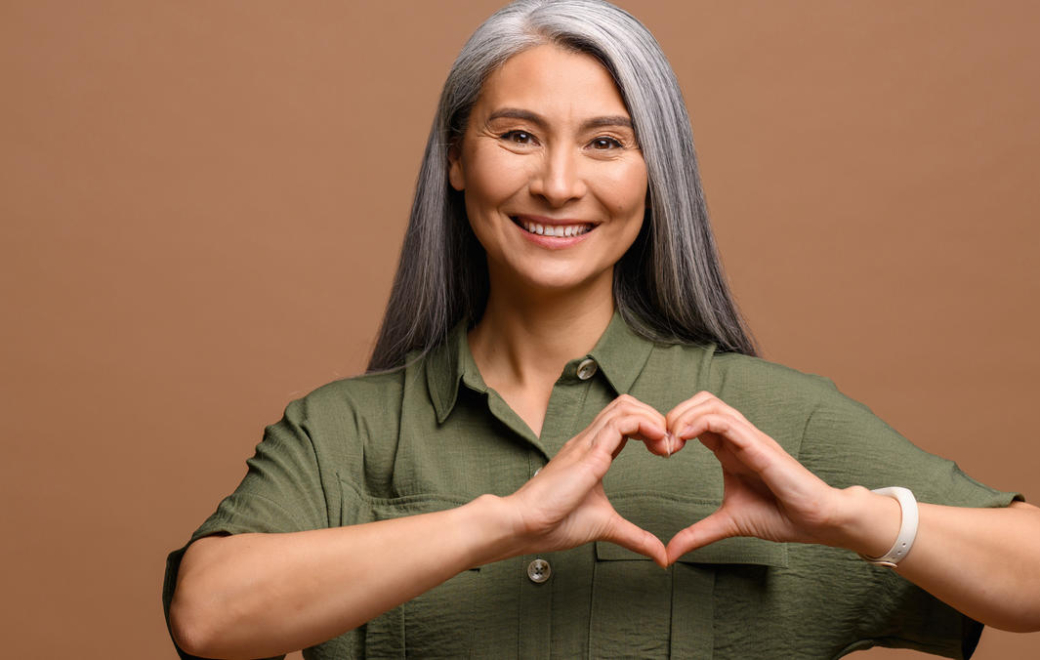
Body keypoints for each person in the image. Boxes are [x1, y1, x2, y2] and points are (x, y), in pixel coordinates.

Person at [163, 1, 1040, 658]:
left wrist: (850, 517)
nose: (556, 182)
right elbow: (207, 615)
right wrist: (499, 524)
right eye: (517, 135)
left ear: (659, 175)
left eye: (607, 143)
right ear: (457, 159)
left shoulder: (773, 420)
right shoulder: (341, 433)